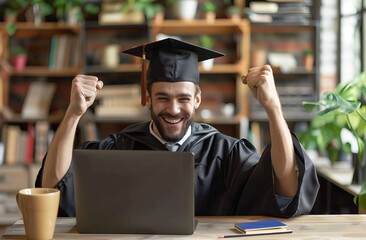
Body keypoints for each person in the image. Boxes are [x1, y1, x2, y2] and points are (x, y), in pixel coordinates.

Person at [35, 38, 319, 217]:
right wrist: (73, 114)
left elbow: (285, 186)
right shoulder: (120, 147)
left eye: (183, 98)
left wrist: (273, 109)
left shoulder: (224, 151)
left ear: (197, 99)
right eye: (162, 98)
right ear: (147, 97)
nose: (173, 109)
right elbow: (53, 191)